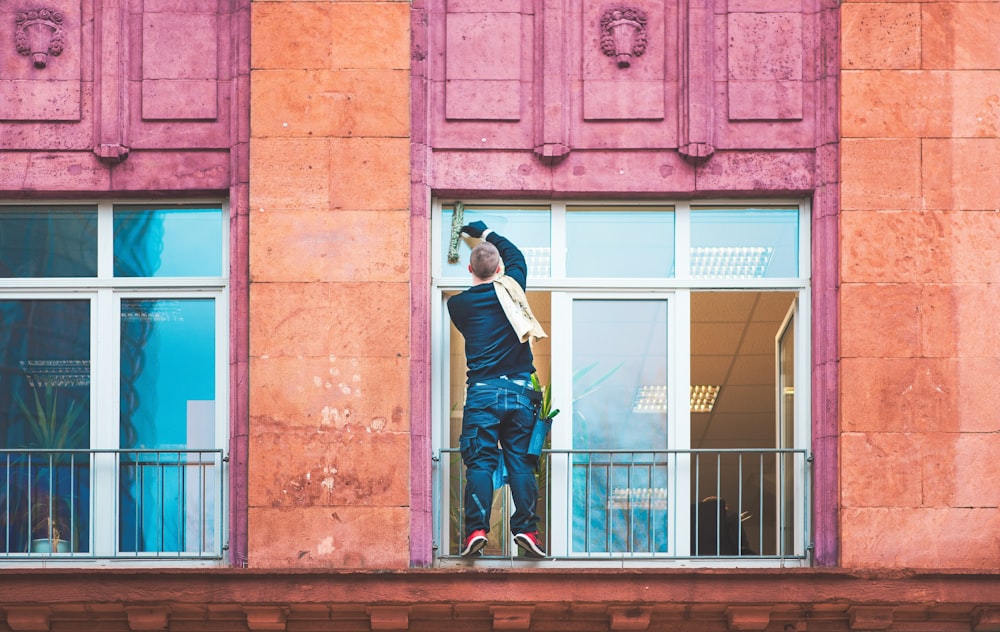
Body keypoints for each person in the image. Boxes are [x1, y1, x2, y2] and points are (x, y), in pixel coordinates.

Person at [447, 220, 546, 558]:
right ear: (501, 269)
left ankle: (476, 530)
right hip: (520, 393)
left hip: (483, 393)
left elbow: (501, 267)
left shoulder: (457, 306)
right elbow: (517, 257)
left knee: (481, 464)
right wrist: (486, 232)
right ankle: (528, 530)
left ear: (471, 268)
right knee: (520, 462)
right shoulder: (513, 287)